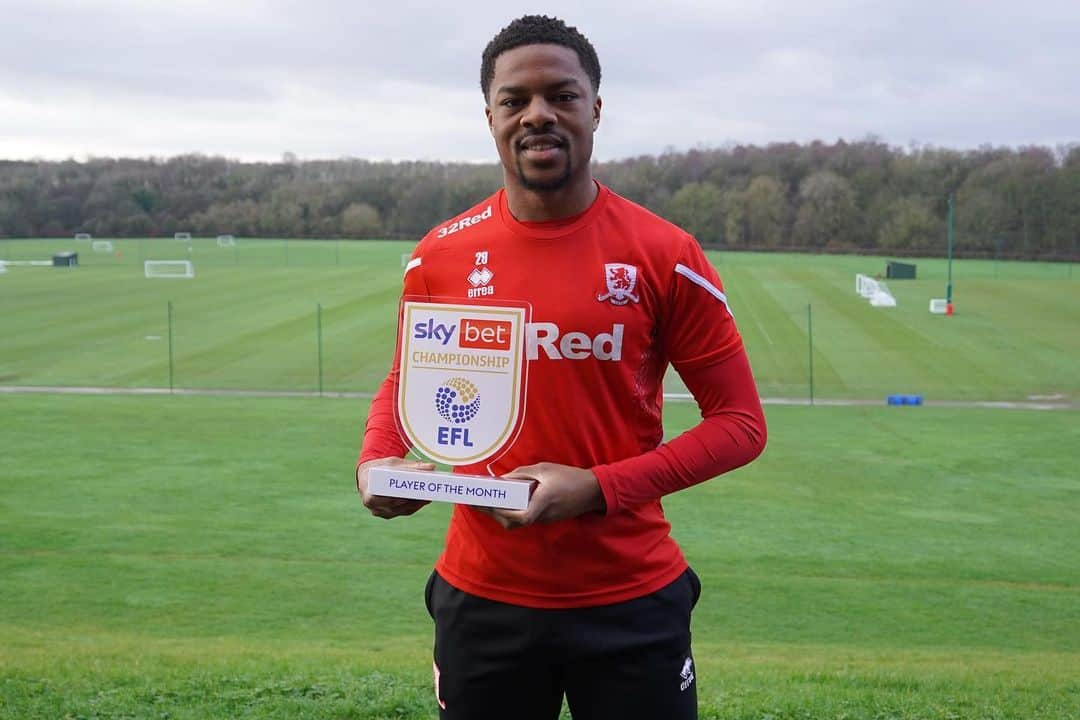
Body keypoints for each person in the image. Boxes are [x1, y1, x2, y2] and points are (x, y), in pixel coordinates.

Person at [356, 14, 767, 720]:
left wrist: (599, 488)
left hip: (629, 601)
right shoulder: (440, 256)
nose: (537, 114)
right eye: (515, 99)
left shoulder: (665, 253)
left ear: (596, 109)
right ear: (489, 115)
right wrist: (377, 464)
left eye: (562, 95)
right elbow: (406, 380)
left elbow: (740, 424)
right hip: (482, 599)